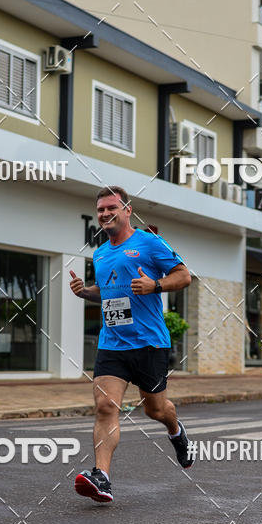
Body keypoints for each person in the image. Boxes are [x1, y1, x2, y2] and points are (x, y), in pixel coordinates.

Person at [69, 186, 192, 503]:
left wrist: (156, 285)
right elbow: (109, 291)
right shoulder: (100, 253)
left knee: (156, 409)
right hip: (112, 343)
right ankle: (102, 477)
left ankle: (176, 431)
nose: (105, 214)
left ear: (127, 210)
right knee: (105, 406)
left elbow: (184, 275)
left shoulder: (149, 243)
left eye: (111, 207)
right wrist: (85, 292)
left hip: (149, 342)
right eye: (100, 210)